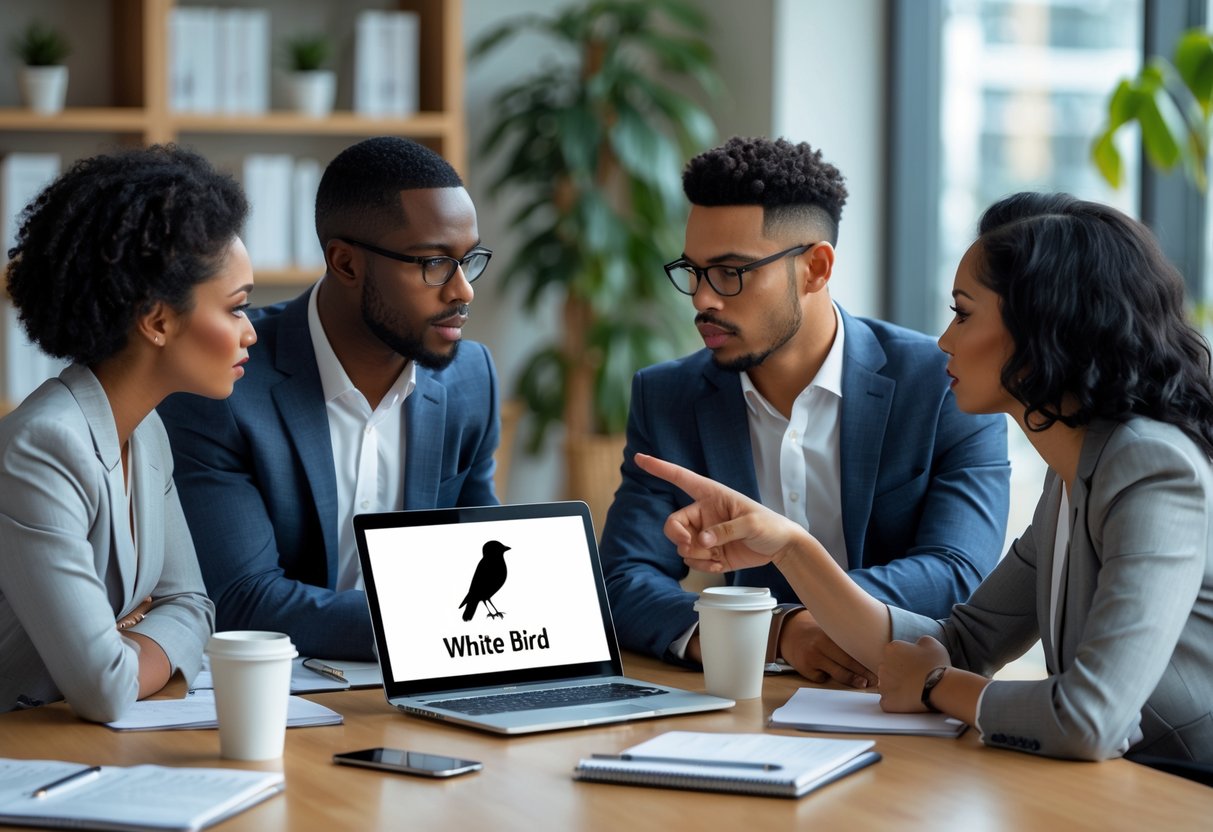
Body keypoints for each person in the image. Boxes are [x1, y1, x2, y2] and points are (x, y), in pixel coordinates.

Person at [637, 191, 1213, 763]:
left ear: (1044, 331)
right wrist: (789, 546)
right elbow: (962, 642)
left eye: (963, 314)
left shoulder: (1150, 467)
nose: (944, 341)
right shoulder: (1071, 475)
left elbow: (1089, 719)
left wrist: (938, 684)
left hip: (1184, 794)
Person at [599, 136, 1010, 686]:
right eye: (693, 272)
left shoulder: (942, 383)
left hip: (901, 692)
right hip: (748, 698)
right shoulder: (667, 396)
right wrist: (778, 630)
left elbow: (959, 572)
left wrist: (830, 619)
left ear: (816, 268)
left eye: (731, 272)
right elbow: (623, 580)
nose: (702, 299)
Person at [157, 137, 500, 660]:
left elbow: (479, 554)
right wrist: (437, 629)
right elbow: (242, 599)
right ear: (345, 264)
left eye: (468, 260)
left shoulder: (470, 378)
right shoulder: (226, 385)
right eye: (433, 263)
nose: (463, 291)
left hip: (432, 680)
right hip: (281, 697)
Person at [0, 145, 253, 721]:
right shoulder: (43, 447)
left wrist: (127, 642)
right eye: (237, 308)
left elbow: (193, 604)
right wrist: (127, 646)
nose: (250, 333)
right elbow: (105, 687)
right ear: (158, 320)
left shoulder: (147, 432)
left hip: (70, 746)